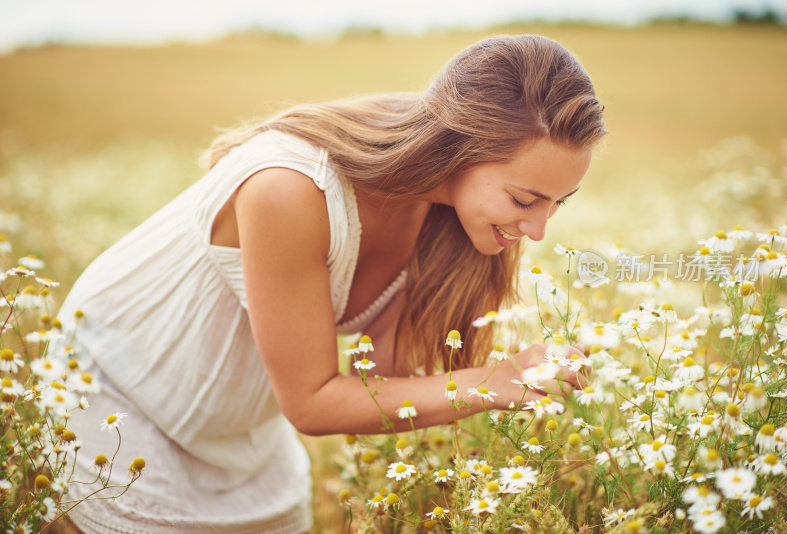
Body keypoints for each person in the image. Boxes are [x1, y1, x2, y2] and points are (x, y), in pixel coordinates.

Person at [53, 34, 605, 533]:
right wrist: (494, 382)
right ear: (458, 147)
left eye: (558, 202)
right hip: (116, 396)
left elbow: (387, 389)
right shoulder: (290, 188)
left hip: (239, 430)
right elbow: (314, 403)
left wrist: (516, 377)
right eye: (523, 199)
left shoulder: (449, 217)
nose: (537, 229)